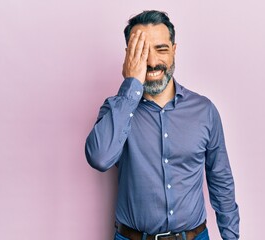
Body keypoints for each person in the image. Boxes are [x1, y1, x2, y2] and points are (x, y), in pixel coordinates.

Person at [85, 10, 240, 240]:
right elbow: (99, 158)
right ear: (129, 57)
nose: (153, 61)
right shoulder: (116, 109)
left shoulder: (204, 111)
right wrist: (131, 86)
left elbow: (221, 181)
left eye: (161, 49)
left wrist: (232, 237)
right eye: (142, 51)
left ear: (174, 50)